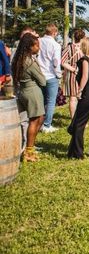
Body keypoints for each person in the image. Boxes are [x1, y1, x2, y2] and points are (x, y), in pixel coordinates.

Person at [12, 33, 46, 162]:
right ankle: (29, 151)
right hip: (33, 92)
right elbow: (42, 81)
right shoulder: (30, 62)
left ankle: (28, 147)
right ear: (29, 47)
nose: (38, 48)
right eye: (36, 45)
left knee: (40, 117)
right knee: (34, 121)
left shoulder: (19, 59)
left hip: (23, 91)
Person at [37, 23, 62, 133]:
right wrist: (59, 74)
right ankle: (47, 124)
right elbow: (56, 62)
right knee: (51, 102)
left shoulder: (39, 41)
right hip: (51, 75)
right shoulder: (56, 45)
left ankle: (39, 123)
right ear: (54, 33)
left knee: (41, 101)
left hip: (39, 74)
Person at [60, 29, 85, 118]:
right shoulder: (85, 48)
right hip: (83, 74)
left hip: (72, 75)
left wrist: (73, 69)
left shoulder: (69, 48)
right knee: (81, 98)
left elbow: (62, 62)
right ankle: (81, 120)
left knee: (73, 98)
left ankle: (74, 119)